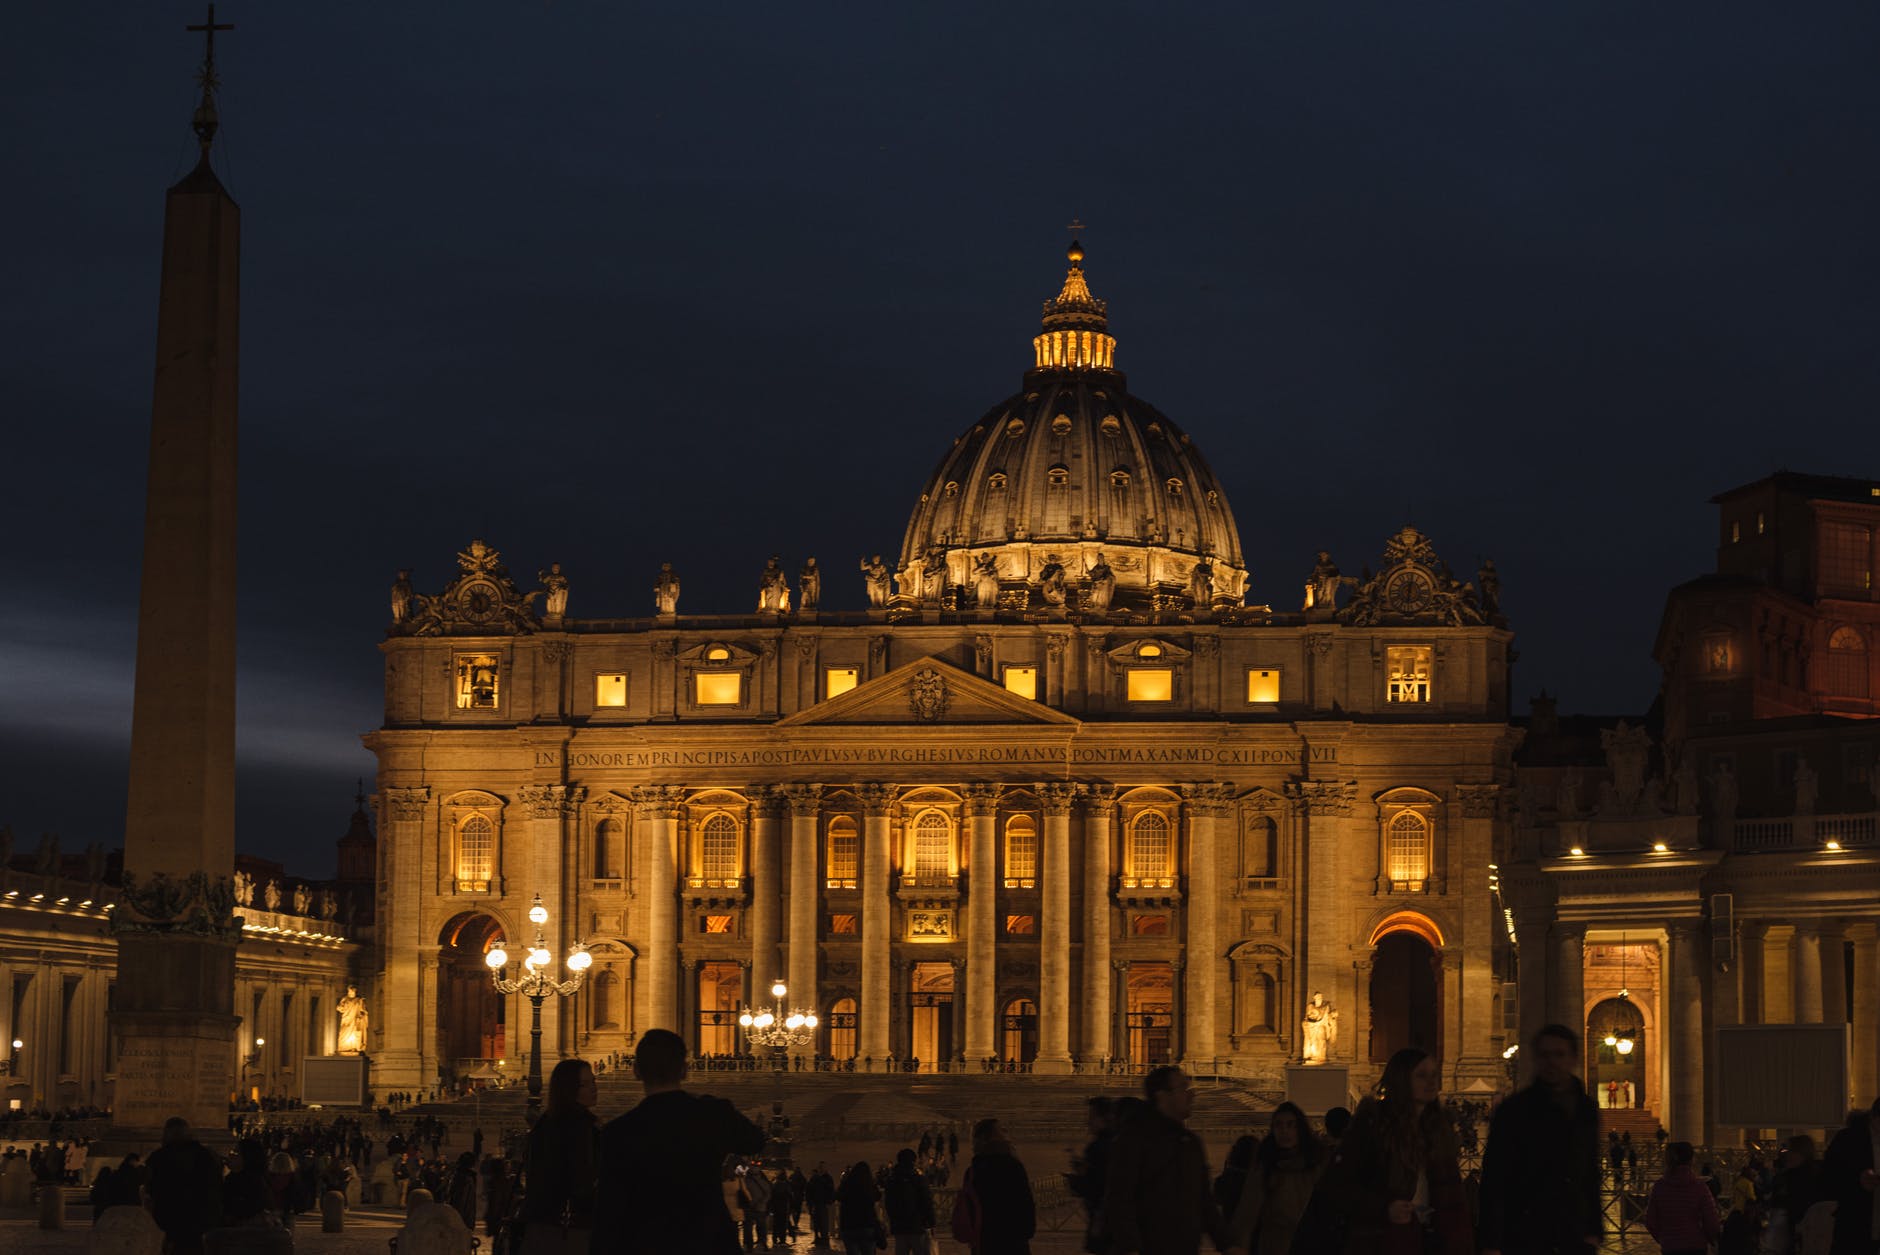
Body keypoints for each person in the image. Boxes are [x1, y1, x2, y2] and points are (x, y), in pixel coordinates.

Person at [594, 1028, 765, 1254]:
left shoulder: (617, 1132)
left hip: (647, 1244)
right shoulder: (713, 1115)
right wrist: (715, 1107)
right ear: (685, 1070)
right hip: (709, 1242)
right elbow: (755, 1141)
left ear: (636, 1071)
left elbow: (609, 1210)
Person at [1301, 1047, 1471, 1254]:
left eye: (1434, 1074)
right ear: (1401, 1080)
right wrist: (1384, 1208)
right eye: (1421, 1075)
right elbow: (1337, 1186)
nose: (1432, 1082)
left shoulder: (1440, 1129)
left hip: (1429, 1239)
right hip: (1380, 1240)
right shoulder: (1372, 1126)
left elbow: (1453, 1198)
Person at [1478, 1023, 1603, 1255]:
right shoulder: (1513, 1110)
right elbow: (1494, 1177)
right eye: (1545, 1055)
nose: (1552, 1061)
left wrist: (1594, 1229)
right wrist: (1491, 1242)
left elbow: (1590, 1172)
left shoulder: (1587, 1108)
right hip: (1526, 1230)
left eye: (1559, 1054)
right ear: (1535, 1059)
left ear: (1574, 1058)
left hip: (1573, 1231)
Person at [1100, 1068, 1238, 1255]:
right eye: (1182, 1088)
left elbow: (1204, 1201)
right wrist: (1130, 1247)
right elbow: (1119, 1199)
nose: (1191, 1094)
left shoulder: (1190, 1142)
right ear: (1162, 1096)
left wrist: (1228, 1245)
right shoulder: (1134, 1139)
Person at [520, 1059, 599, 1254]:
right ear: (568, 1089)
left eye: (593, 1082)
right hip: (569, 1229)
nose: (594, 1089)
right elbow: (583, 1182)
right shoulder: (583, 1128)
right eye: (584, 1084)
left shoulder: (544, 1124)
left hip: (539, 1226)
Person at [1225, 1101, 1323, 1255]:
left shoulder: (1316, 1164)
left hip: (1311, 1243)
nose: (1284, 1131)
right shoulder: (1265, 1165)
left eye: (1291, 1125)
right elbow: (1247, 1212)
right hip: (1276, 1245)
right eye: (1279, 1125)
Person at [143, 1116, 225, 1255]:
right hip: (201, 1219)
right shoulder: (206, 1155)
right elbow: (216, 1185)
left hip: (170, 1219)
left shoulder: (158, 1157)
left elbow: (152, 1188)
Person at [965, 1118, 1036, 1255]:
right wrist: (1026, 1232)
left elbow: (969, 1209)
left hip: (984, 1242)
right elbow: (1025, 1204)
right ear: (991, 1137)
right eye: (1001, 1130)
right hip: (1013, 1241)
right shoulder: (1012, 1166)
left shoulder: (973, 1170)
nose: (1006, 1132)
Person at [1643, 1141, 1721, 1255]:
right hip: (1696, 1246)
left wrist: (1664, 1239)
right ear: (1691, 1160)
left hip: (1670, 1247)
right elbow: (1711, 1221)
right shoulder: (1700, 1187)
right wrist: (1710, 1239)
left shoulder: (1659, 1187)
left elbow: (1650, 1220)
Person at [1068, 1097, 1117, 1254]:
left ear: (1104, 1118)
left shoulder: (1098, 1147)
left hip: (1104, 1222)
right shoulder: (1119, 1141)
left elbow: (1096, 1186)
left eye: (1091, 1117)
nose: (1087, 1122)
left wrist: (1077, 1179)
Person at [884, 1147, 937, 1254]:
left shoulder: (892, 1180)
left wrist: (893, 1220)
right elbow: (927, 1201)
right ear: (913, 1161)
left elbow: (888, 1204)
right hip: (917, 1225)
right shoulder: (918, 1179)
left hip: (899, 1226)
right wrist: (931, 1221)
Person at [835, 1160, 882, 1255]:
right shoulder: (869, 1185)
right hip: (866, 1224)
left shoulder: (847, 1184)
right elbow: (877, 1196)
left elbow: (838, 1196)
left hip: (849, 1225)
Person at [806, 1163, 837, 1246]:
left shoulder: (826, 1178)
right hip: (816, 1203)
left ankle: (824, 1238)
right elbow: (809, 1190)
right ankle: (818, 1237)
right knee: (816, 1222)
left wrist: (829, 1201)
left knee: (823, 1222)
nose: (821, 1169)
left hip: (822, 1203)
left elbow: (830, 1190)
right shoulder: (816, 1178)